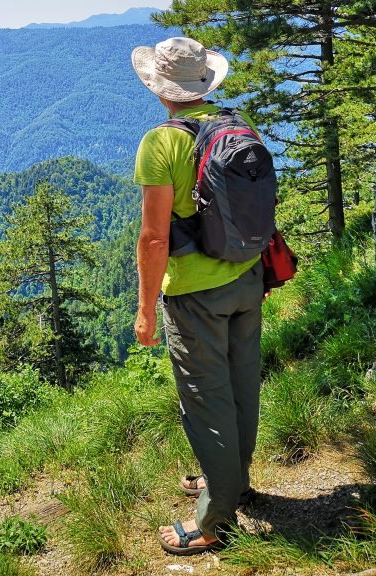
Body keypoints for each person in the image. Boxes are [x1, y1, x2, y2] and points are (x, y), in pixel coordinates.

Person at [131, 36, 266, 555]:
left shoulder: (161, 143)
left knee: (207, 401)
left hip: (194, 295)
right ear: (204, 83)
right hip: (247, 277)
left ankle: (212, 521)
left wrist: (145, 311)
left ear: (160, 88)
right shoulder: (237, 126)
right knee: (241, 386)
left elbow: (155, 237)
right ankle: (232, 481)